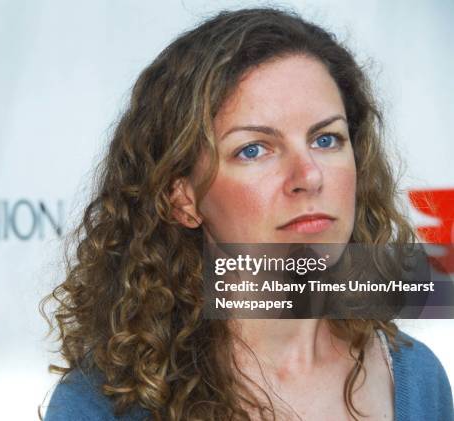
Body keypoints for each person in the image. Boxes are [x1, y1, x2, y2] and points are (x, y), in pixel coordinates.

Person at [40, 7, 453, 421]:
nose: (308, 175)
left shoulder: (418, 380)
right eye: (253, 149)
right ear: (182, 199)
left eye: (326, 139)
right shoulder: (104, 403)